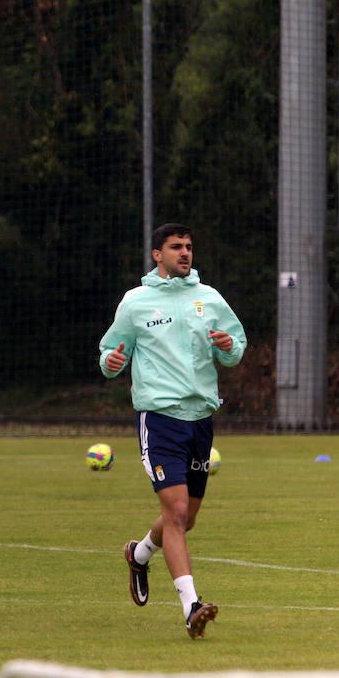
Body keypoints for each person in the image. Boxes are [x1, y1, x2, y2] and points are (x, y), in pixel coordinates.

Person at [100, 223, 247, 639]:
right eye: (176, 247)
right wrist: (110, 362)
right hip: (159, 418)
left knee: (187, 518)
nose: (185, 253)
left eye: (188, 247)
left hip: (201, 418)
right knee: (177, 513)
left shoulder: (209, 298)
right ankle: (191, 606)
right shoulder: (136, 303)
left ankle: (139, 552)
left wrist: (228, 347)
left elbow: (237, 348)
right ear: (156, 255)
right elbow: (109, 350)